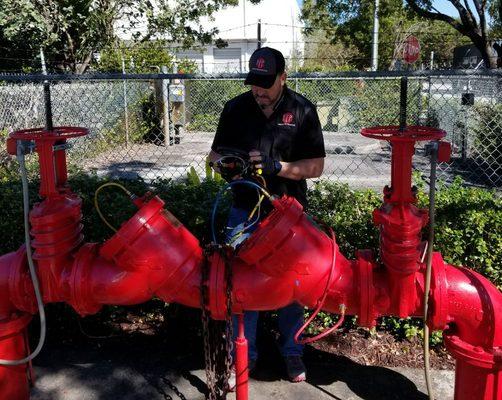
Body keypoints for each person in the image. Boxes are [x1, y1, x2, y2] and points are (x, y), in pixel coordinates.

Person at [208, 47, 326, 385]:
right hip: (244, 212)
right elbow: (214, 155)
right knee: (242, 287)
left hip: (288, 217)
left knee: (293, 285)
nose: (259, 91)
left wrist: (280, 168)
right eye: (254, 84)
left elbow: (316, 167)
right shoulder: (235, 109)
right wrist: (226, 165)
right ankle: (245, 356)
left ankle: (292, 351)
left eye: (266, 84)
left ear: (283, 78)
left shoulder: (302, 110)